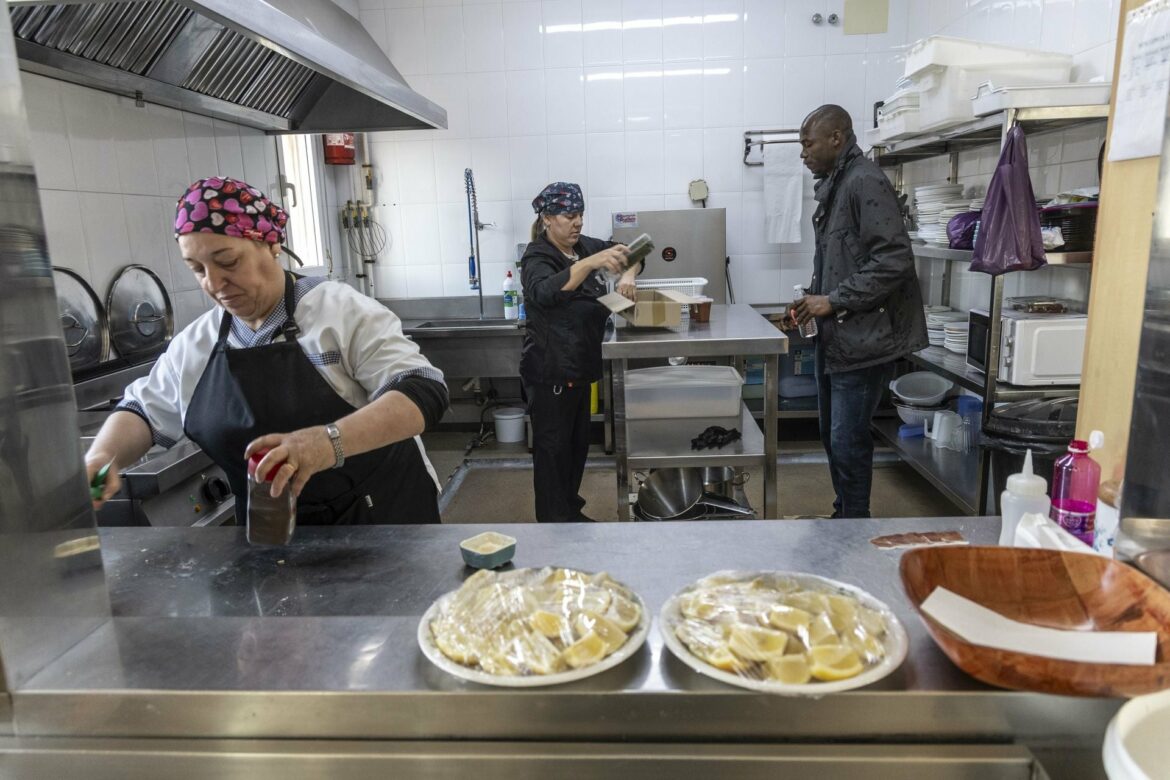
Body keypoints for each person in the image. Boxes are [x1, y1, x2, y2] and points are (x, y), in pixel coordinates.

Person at [85, 176, 448, 525]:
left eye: (228, 262)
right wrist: (103, 458)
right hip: (271, 535)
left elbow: (421, 391)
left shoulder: (339, 313)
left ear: (271, 244)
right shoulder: (198, 343)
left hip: (382, 519)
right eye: (197, 269)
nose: (213, 283)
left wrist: (327, 442)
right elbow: (143, 411)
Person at [791, 105, 928, 519]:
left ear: (837, 138)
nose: (803, 154)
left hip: (866, 337)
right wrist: (811, 300)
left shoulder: (865, 181)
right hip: (839, 335)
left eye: (807, 143)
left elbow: (894, 260)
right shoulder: (839, 183)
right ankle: (844, 514)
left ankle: (854, 522)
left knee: (847, 439)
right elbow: (844, 259)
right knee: (833, 437)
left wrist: (832, 301)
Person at [520, 182, 640, 522]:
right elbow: (544, 292)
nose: (578, 223)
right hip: (550, 374)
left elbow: (635, 251)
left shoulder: (585, 246)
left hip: (580, 370)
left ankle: (569, 516)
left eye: (581, 215)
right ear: (547, 219)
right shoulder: (537, 256)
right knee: (553, 458)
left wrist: (628, 273)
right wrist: (591, 263)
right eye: (569, 216)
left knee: (574, 453)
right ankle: (554, 528)